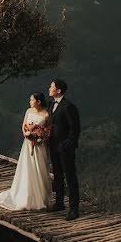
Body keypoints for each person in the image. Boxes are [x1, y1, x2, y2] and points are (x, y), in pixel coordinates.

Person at [0, 92, 53, 211]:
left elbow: (47, 131)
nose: (30, 102)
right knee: (28, 169)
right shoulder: (29, 111)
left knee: (40, 169)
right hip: (28, 145)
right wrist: (27, 135)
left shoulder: (46, 115)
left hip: (40, 146)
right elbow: (24, 126)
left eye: (32, 100)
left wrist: (39, 138)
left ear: (38, 102)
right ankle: (26, 195)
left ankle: (41, 198)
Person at [48, 78, 81, 220]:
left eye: (52, 86)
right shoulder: (50, 105)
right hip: (53, 147)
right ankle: (59, 202)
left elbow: (75, 129)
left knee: (70, 177)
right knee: (57, 175)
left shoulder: (68, 107)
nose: (49, 88)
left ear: (58, 90)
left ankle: (74, 209)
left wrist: (67, 145)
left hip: (65, 149)